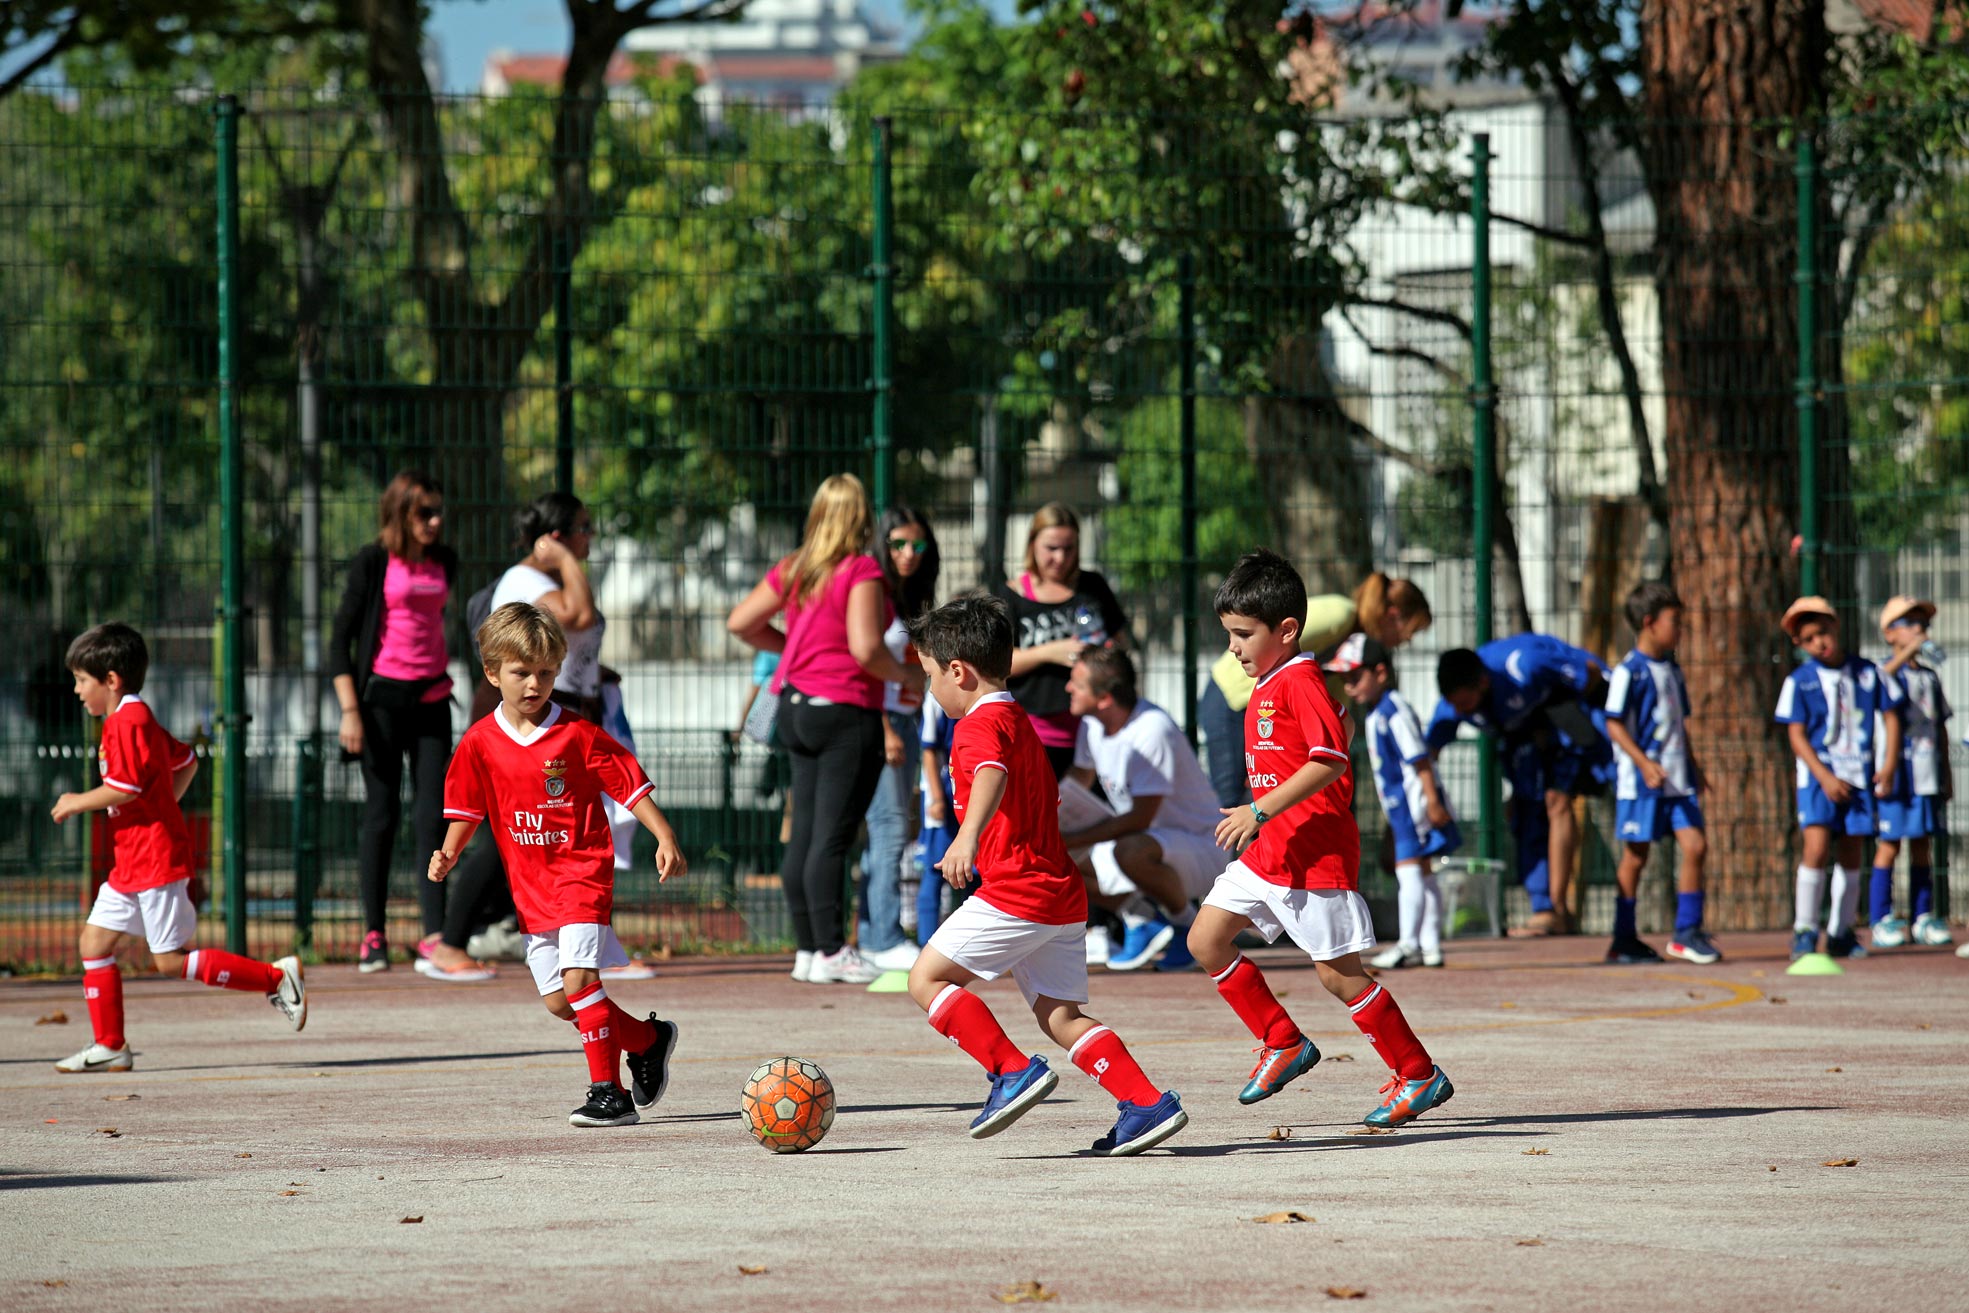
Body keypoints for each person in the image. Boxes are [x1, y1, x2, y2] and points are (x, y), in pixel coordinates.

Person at [903, 595, 1189, 1156]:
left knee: (926, 981)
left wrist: (966, 838)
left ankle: (1010, 1072)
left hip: (1017, 891)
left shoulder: (977, 725)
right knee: (1059, 1016)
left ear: (958, 672)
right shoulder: (1016, 718)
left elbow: (988, 773)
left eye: (930, 676)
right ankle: (1145, 1103)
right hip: (1059, 892)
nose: (930, 689)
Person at [1186, 551, 1454, 1129]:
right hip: (1269, 853)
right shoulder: (1273, 679)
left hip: (1312, 856)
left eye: (1241, 635)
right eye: (1228, 634)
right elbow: (1338, 730)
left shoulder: (1298, 679)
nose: (1232, 647)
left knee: (1339, 976)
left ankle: (1417, 1073)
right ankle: (1282, 1041)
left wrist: (1259, 809)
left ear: (1285, 631)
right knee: (1206, 939)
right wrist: (1264, 814)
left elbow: (1328, 758)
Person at [429, 603, 684, 1129]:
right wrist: (450, 850)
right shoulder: (479, 742)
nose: (534, 684)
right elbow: (467, 807)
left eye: (546, 673)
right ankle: (646, 1040)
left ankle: (608, 1094)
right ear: (492, 672)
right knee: (559, 1003)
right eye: (521, 673)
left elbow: (627, 783)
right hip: (532, 889)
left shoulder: (577, 734)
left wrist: (664, 834)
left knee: (579, 981)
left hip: (582, 873)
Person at [49, 623, 306, 1073]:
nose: (76, 690)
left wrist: (76, 802)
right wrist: (163, 804)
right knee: (93, 942)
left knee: (168, 962)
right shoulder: (132, 717)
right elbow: (184, 760)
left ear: (110, 680)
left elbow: (125, 788)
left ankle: (276, 977)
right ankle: (110, 1044)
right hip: (133, 862)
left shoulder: (128, 721)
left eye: (81, 680)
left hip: (156, 862)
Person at [727, 474, 924, 986]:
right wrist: (905, 675)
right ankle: (834, 949)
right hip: (843, 711)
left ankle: (810, 951)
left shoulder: (796, 567)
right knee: (833, 837)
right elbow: (864, 647)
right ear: (862, 519)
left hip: (795, 706)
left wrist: (792, 649)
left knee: (807, 834)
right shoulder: (860, 570)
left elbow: (740, 623)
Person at [424, 492, 610, 982]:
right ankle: (451, 941)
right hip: (529, 725)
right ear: (554, 538)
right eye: (582, 529)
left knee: (551, 832)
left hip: (564, 717)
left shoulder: (542, 579)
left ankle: (576, 937)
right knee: (506, 832)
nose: (589, 537)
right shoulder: (529, 580)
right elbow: (578, 617)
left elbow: (564, 647)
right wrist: (567, 561)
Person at [328, 470, 459, 973]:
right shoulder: (373, 560)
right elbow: (340, 640)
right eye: (424, 512)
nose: (434, 521)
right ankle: (374, 934)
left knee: (435, 815)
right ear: (400, 511)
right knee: (382, 815)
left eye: (438, 511)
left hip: (431, 699)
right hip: (379, 701)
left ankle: (434, 934)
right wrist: (350, 712)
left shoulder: (444, 560)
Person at [1428, 634, 1613, 936]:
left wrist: (1590, 732)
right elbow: (1428, 756)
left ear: (1483, 684)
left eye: (1464, 704)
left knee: (1558, 801)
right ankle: (1547, 908)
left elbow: (1591, 674)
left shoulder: (1524, 664)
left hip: (1567, 714)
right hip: (1523, 736)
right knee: (1524, 815)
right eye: (1455, 706)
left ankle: (1554, 907)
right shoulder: (1452, 705)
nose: (1460, 712)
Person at [1198, 572, 1432, 809]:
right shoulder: (1341, 615)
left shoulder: (1355, 652)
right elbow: (1276, 649)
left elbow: (1337, 720)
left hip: (1262, 709)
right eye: (1410, 631)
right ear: (1393, 616)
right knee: (1230, 804)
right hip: (1234, 697)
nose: (1406, 641)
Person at [1061, 647, 1229, 973]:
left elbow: (1140, 818)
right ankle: (1141, 920)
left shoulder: (1153, 729)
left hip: (1203, 847)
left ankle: (1189, 928)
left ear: (1105, 698)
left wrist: (1070, 837)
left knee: (1130, 850)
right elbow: (1077, 780)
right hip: (1148, 840)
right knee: (1051, 857)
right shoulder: (1092, 724)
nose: (1068, 688)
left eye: (1077, 684)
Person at [1774, 596, 1903, 961]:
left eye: (1824, 632)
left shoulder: (1867, 672)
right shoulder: (1799, 681)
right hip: (1819, 780)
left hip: (1859, 776)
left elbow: (1892, 716)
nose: (1820, 642)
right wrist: (1824, 776)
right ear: (1799, 644)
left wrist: (1889, 763)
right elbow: (1796, 734)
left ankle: (1842, 930)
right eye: (1810, 638)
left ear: (1836, 626)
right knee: (1815, 849)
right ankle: (1804, 928)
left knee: (1852, 852)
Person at [1602, 583, 1720, 966]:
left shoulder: (1673, 670)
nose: (1681, 630)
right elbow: (1614, 725)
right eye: (1676, 622)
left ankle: (1686, 933)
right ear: (1650, 623)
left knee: (1696, 846)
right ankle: (1623, 938)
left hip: (1677, 780)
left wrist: (1694, 765)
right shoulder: (1628, 672)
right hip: (1643, 783)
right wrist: (1642, 762)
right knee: (1636, 856)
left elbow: (1678, 725)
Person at [1339, 638, 1458, 970]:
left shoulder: (1393, 710)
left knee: (1409, 875)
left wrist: (1432, 802)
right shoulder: (1379, 711)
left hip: (1413, 806)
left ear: (1380, 672)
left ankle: (1408, 944)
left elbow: (1420, 760)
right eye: (1345, 680)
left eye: (1355, 678)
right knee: (1424, 873)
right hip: (1401, 806)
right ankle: (1431, 946)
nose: (1349, 688)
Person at [859, 506, 941, 973]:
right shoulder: (873, 591)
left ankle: (875, 933)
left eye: (918, 545)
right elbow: (863, 661)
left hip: (906, 718)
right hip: (883, 719)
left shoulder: (914, 594)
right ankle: (883, 936)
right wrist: (886, 727)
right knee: (889, 827)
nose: (909, 554)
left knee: (890, 828)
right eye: (898, 544)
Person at [994, 504, 1130, 780]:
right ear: (1032, 544)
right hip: (1035, 732)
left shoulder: (1093, 587)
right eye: (1051, 548)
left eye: (1069, 548)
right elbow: (998, 663)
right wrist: (1049, 652)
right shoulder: (1011, 595)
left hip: (1093, 728)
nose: (1061, 558)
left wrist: (1104, 654)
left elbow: (1120, 643)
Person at [1870, 596, 1953, 950]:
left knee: (1923, 846)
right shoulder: (1885, 670)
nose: (1919, 629)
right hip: (1898, 771)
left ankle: (1923, 916)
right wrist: (1907, 653)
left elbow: (1941, 727)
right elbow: (1875, 685)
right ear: (1889, 633)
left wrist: (1947, 771)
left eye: (1923, 623)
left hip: (1927, 772)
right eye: (1909, 623)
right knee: (1889, 846)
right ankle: (1881, 918)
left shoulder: (1930, 677)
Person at [916, 698, 961, 945]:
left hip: (971, 797)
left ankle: (973, 947)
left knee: (976, 874)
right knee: (935, 870)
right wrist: (936, 797)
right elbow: (929, 750)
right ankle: (926, 944)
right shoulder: (937, 697)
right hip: (943, 795)